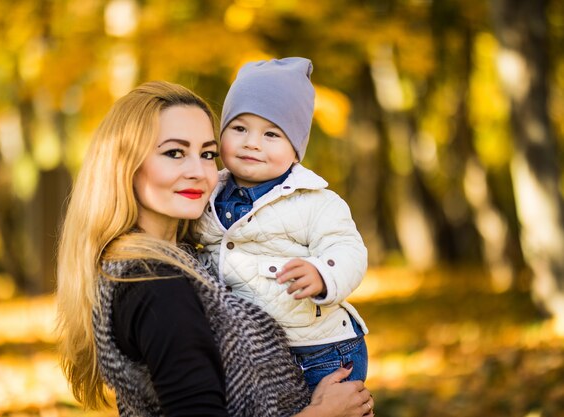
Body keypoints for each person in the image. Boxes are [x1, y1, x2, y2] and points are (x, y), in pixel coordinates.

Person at [55, 80, 375, 416]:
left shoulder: (179, 261)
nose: (198, 172)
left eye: (207, 154)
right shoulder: (157, 286)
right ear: (126, 165)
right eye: (174, 153)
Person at [194, 57, 369, 392]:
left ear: (296, 148)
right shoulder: (207, 190)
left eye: (272, 133)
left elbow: (348, 249)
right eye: (239, 128)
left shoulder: (313, 201)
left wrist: (322, 273)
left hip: (318, 352)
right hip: (246, 351)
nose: (252, 143)